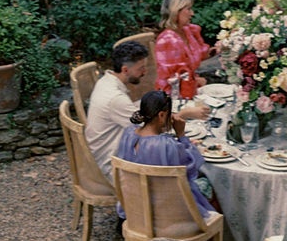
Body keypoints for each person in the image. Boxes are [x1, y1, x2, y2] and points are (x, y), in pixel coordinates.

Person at [85, 39, 207, 180]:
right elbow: (152, 128)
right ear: (125, 70)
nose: (145, 72)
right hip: (116, 165)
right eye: (140, 68)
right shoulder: (116, 99)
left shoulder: (106, 81)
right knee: (192, 166)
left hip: (117, 151)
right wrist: (184, 114)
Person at [114, 87, 216, 215]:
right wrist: (182, 135)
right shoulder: (167, 145)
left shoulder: (128, 134)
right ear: (161, 115)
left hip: (136, 210)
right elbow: (192, 166)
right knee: (209, 184)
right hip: (168, 214)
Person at [155, 0, 216, 90]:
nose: (192, 13)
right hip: (173, 94)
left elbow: (200, 53)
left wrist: (221, 48)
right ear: (176, 11)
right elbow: (172, 80)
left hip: (191, 86)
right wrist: (197, 81)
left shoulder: (186, 31)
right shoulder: (167, 40)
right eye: (188, 9)